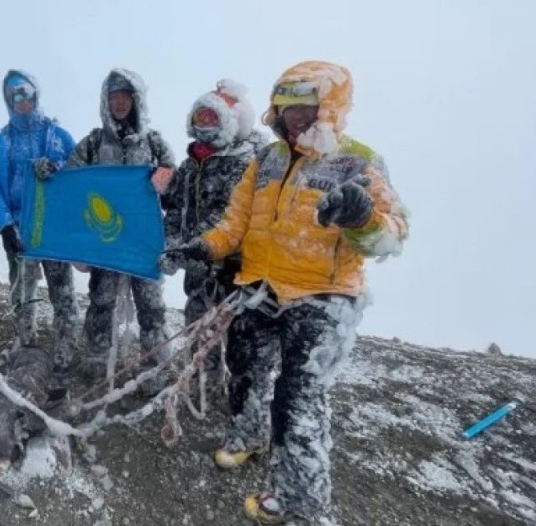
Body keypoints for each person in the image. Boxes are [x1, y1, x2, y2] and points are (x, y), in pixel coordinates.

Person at [180, 60, 408, 523]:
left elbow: (394, 235)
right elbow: (235, 223)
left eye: (306, 107)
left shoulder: (358, 161)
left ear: (330, 107)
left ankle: (301, 503)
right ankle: (249, 435)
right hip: (260, 286)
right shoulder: (266, 160)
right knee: (244, 368)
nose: (295, 117)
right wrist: (205, 246)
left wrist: (363, 218)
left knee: (298, 398)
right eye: (287, 107)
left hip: (324, 296)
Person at [66, 68, 176, 392]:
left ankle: (154, 365)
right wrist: (47, 175)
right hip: (106, 240)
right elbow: (69, 182)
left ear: (136, 100)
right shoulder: (93, 143)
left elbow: (175, 184)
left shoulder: (154, 143)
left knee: (151, 306)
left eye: (125, 96)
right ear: (106, 101)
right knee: (101, 300)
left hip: (142, 242)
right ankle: (97, 358)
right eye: (114, 96)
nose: (120, 102)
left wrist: (164, 180)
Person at [160, 79, 267, 388]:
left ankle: (240, 394)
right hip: (196, 265)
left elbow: (228, 215)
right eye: (200, 116)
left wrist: (187, 249)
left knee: (237, 337)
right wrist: (170, 244)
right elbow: (175, 208)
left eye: (212, 116)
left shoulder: (245, 162)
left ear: (230, 121)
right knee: (198, 327)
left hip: (233, 267)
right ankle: (203, 386)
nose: (204, 123)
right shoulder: (190, 164)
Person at [0, 69, 80, 373]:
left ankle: (67, 344)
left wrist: (57, 167)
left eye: (25, 92)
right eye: (14, 95)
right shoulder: (0, 143)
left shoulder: (59, 137)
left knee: (62, 290)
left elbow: (80, 174)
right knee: (23, 291)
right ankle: (26, 342)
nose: (21, 100)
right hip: (20, 230)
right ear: (7, 100)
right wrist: (4, 226)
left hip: (54, 229)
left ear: (36, 94)